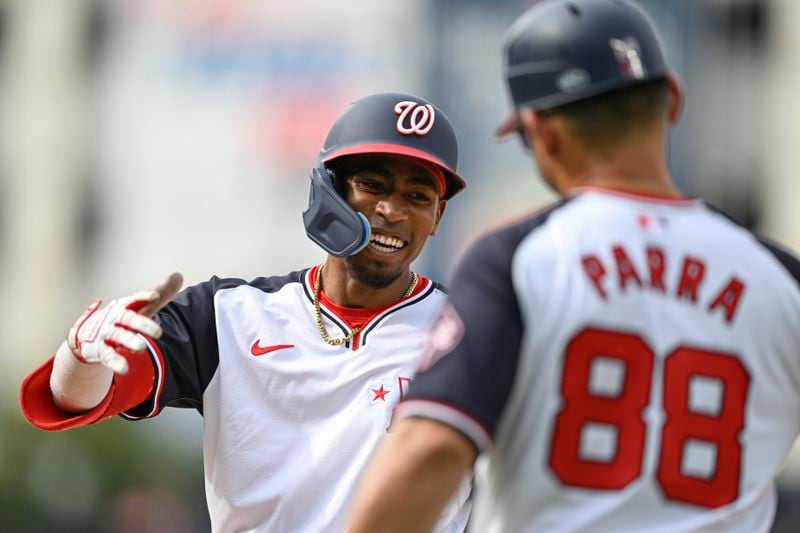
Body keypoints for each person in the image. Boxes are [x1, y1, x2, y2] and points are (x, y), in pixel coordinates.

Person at [346, 1, 800, 532]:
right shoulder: (781, 279)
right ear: (672, 99)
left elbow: (429, 450)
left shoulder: (520, 258)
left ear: (542, 132)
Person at [19, 92, 473, 532]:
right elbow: (79, 398)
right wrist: (81, 358)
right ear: (329, 189)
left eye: (418, 197)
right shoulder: (230, 315)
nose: (392, 211)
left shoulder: (472, 332)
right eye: (373, 185)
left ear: (438, 216)